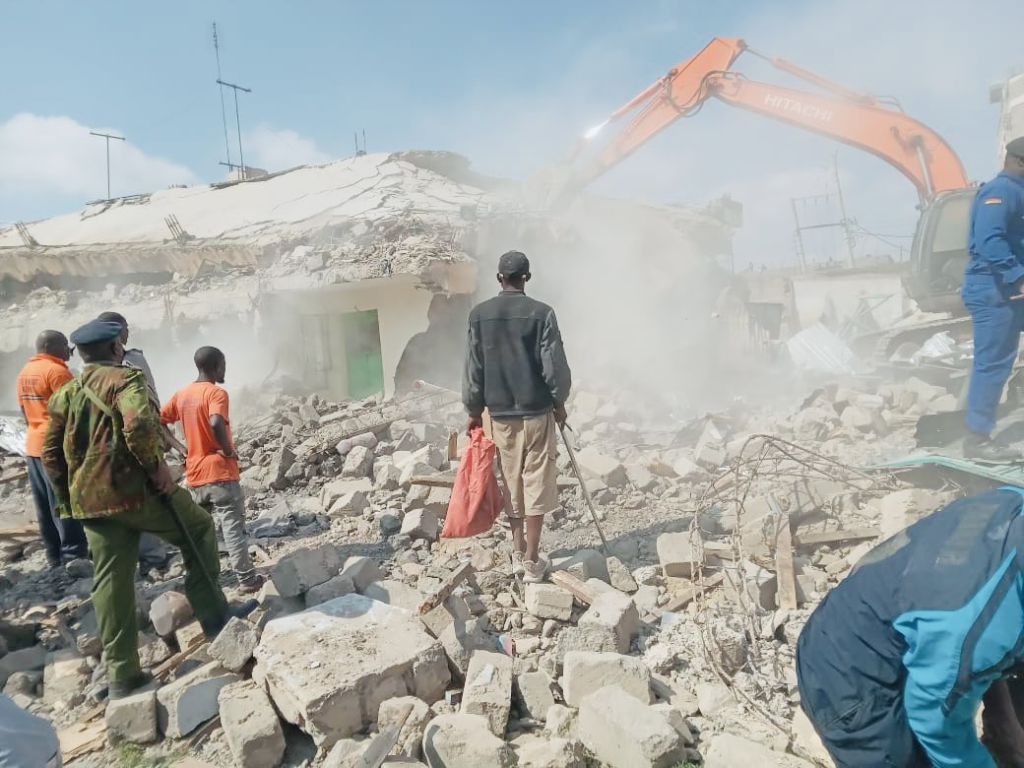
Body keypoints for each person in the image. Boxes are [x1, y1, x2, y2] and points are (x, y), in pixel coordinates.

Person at [41, 319, 254, 698]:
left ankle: (123, 675)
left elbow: (50, 455)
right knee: (201, 529)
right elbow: (139, 425)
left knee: (111, 581)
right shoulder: (126, 380)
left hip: (91, 504)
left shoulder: (64, 394)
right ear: (114, 349)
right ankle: (215, 617)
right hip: (136, 492)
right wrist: (158, 469)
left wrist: (65, 501)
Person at [796, 487, 1024, 767]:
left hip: (916, 616)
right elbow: (936, 724)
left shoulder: (1014, 500)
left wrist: (1007, 728)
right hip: (849, 673)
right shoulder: (972, 624)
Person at [463, 250, 571, 583]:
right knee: (536, 478)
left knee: (510, 480)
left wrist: (473, 410)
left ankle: (517, 549)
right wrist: (559, 402)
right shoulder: (543, 314)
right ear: (527, 278)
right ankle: (532, 560)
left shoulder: (479, 316)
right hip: (537, 411)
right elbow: (553, 365)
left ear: (499, 278)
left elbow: (473, 368)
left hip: (498, 414)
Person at [161, 346, 260, 592]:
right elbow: (216, 422)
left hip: (195, 476)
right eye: (223, 365)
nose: (225, 370)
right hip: (220, 474)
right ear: (216, 365)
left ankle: (203, 580)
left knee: (200, 533)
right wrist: (227, 450)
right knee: (232, 527)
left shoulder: (181, 394)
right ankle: (246, 579)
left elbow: (158, 420)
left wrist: (181, 449)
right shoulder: (216, 393)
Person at [97, 310, 183, 571]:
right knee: (149, 491)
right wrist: (161, 436)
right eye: (124, 328)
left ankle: (144, 549)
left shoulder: (124, 361)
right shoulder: (127, 365)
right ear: (114, 333)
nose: (128, 333)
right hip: (134, 439)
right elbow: (143, 408)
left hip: (125, 441)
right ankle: (152, 554)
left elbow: (151, 402)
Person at [962, 136, 1024, 462]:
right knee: (994, 362)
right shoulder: (1001, 192)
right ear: (1019, 161)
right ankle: (976, 439)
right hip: (995, 287)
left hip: (1010, 287)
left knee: (996, 360)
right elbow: (989, 240)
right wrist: (1017, 275)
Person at [15, 330, 88, 567]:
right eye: (65, 346)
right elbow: (75, 412)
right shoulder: (56, 372)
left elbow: (25, 412)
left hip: (34, 446)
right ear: (50, 346)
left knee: (45, 505)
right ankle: (74, 554)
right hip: (56, 446)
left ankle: (53, 554)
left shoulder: (25, 372)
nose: (69, 350)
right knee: (64, 501)